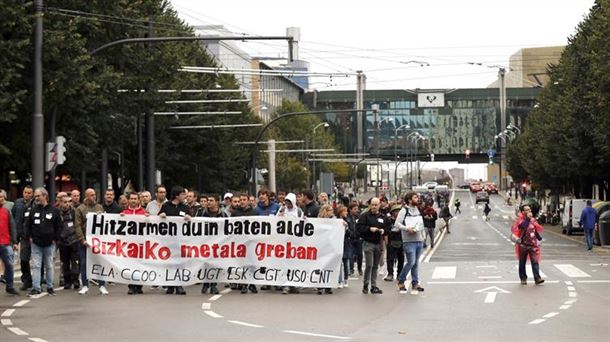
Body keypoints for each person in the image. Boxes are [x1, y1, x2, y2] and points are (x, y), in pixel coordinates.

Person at [24, 188, 63, 296]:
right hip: (36, 243)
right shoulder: (32, 210)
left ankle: (50, 287)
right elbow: (27, 225)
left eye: (38, 196)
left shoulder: (54, 210)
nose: (36, 198)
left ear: (45, 196)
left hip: (50, 243)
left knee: (49, 265)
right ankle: (36, 287)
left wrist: (56, 239)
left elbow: (59, 226)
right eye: (35, 196)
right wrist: (29, 237)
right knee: (36, 265)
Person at [75, 188, 108, 295]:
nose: (94, 197)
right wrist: (82, 240)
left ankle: (102, 285)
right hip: (85, 242)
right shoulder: (80, 209)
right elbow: (78, 226)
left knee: (99, 262)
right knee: (84, 263)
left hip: (97, 241)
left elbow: (104, 223)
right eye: (92, 195)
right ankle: (85, 285)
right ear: (87, 196)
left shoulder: (99, 207)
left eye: (94, 194)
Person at [159, 186, 190, 295]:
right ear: (177, 195)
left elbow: (190, 222)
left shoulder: (185, 207)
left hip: (181, 240)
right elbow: (157, 220)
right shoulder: (166, 206)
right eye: (183, 194)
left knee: (180, 263)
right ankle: (170, 285)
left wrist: (188, 218)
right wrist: (160, 215)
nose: (185, 197)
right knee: (170, 263)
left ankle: (179, 285)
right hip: (168, 240)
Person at [356, 198, 389, 294]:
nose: (374, 206)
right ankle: (366, 284)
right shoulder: (364, 216)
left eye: (376, 205)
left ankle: (374, 286)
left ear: (379, 205)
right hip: (368, 243)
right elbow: (359, 227)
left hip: (378, 243)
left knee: (375, 266)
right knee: (369, 264)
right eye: (372, 204)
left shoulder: (383, 217)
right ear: (370, 205)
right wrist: (369, 229)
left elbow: (388, 227)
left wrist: (384, 231)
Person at [395, 192, 425, 294]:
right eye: (415, 197)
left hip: (418, 239)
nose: (417, 199)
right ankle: (401, 280)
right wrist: (407, 228)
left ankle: (415, 283)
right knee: (411, 262)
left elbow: (421, 223)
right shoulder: (404, 210)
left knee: (416, 263)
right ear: (409, 200)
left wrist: (423, 236)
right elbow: (397, 224)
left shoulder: (417, 209)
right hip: (409, 240)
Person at [276, 193, 302, 295]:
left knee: (294, 264)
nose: (288, 204)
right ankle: (285, 285)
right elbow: (274, 221)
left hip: (295, 242)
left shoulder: (299, 211)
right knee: (285, 264)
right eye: (286, 202)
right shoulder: (282, 210)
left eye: (290, 202)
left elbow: (303, 223)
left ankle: (293, 285)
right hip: (283, 242)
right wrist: (280, 217)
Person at [198, 194, 225, 295]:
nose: (208, 202)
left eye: (211, 200)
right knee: (205, 263)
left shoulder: (223, 214)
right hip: (205, 242)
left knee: (216, 264)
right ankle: (206, 283)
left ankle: (213, 285)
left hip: (219, 243)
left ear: (217, 202)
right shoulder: (202, 213)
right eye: (208, 200)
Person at [511, 205, 544, 285]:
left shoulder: (533, 220)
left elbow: (534, 231)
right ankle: (523, 278)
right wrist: (528, 219)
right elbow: (522, 226)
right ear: (523, 212)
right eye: (527, 210)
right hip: (523, 245)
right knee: (522, 262)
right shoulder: (520, 220)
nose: (529, 211)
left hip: (533, 245)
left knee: (535, 262)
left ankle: (537, 278)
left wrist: (540, 239)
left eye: (529, 209)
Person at [121, 193, 147, 294]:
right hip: (129, 244)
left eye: (135, 199)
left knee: (140, 264)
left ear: (138, 200)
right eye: (131, 199)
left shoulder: (144, 212)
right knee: (130, 265)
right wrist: (120, 218)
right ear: (128, 200)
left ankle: (139, 286)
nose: (133, 200)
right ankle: (131, 286)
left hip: (140, 244)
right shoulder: (124, 212)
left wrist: (148, 219)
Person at [11, 186, 35, 290]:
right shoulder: (17, 203)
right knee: (24, 259)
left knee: (38, 260)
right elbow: (13, 218)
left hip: (34, 236)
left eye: (29, 193)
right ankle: (26, 280)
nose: (27, 194)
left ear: (32, 194)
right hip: (23, 236)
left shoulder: (35, 204)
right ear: (23, 192)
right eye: (25, 192)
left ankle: (40, 279)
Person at [57, 194, 80, 290]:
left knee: (75, 262)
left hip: (74, 240)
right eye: (65, 202)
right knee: (65, 263)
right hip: (62, 242)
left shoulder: (74, 212)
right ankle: (67, 281)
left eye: (68, 202)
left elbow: (78, 224)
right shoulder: (57, 213)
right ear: (60, 202)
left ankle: (75, 280)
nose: (67, 204)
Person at [0, 190, 19, 295]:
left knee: (9, 265)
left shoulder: (7, 211)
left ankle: (10, 286)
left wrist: (15, 242)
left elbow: (12, 227)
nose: (1, 199)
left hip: (6, 243)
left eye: (2, 197)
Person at [384, 204, 404, 282]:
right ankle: (390, 274)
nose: (398, 213)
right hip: (391, 241)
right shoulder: (388, 220)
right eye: (396, 211)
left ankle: (399, 274)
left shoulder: (402, 221)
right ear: (393, 212)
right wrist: (386, 242)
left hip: (401, 240)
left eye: (399, 211)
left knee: (401, 259)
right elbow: (385, 231)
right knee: (390, 259)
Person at [346, 203, 362, 276]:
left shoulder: (359, 217)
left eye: (357, 209)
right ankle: (351, 269)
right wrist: (350, 234)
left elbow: (361, 226)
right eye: (355, 209)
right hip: (350, 238)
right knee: (351, 255)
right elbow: (347, 227)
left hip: (358, 238)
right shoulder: (347, 217)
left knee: (360, 254)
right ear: (350, 209)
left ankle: (359, 268)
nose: (357, 210)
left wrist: (359, 234)